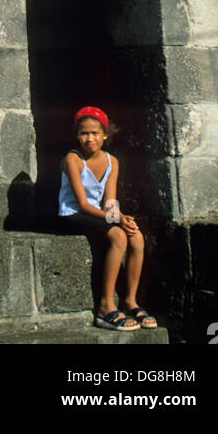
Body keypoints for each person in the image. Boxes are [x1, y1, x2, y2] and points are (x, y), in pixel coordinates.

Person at [57, 105, 157, 332]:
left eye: (94, 133)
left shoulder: (112, 162)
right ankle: (105, 306)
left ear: (105, 135)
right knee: (118, 237)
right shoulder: (73, 159)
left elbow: (109, 202)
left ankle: (130, 301)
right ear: (77, 135)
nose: (89, 138)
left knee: (137, 237)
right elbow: (82, 204)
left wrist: (120, 216)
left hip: (97, 214)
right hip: (72, 215)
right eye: (84, 133)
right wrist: (116, 220)